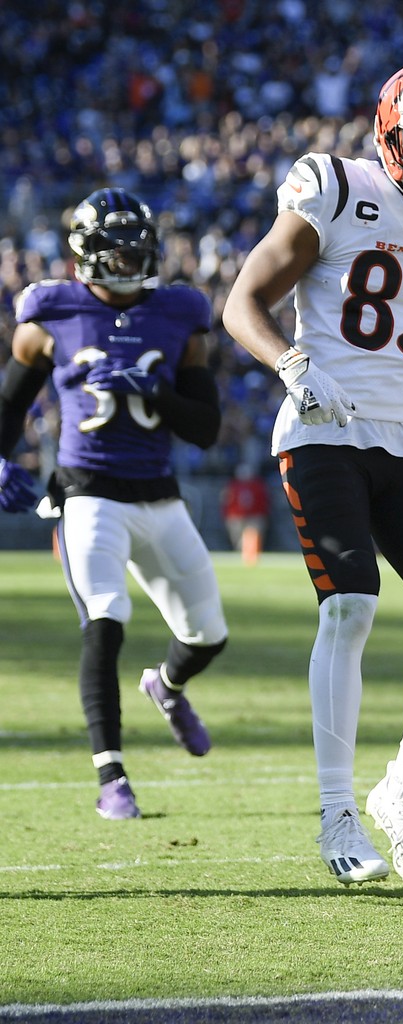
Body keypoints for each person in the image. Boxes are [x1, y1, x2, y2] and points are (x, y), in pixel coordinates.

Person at [223, 59, 403, 885]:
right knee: (349, 606)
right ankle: (335, 810)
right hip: (321, 430)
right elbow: (242, 302)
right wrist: (292, 364)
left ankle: (402, 794)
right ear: (393, 137)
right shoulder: (335, 189)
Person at [0, 188, 227, 819]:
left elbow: (205, 427)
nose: (131, 267)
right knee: (106, 619)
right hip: (86, 490)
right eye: (119, 256)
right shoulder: (50, 312)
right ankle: (113, 777)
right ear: (87, 255)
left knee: (208, 634)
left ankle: (168, 686)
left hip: (158, 494)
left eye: (139, 255)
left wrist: (159, 393)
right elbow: (9, 407)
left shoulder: (180, 314)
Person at [220, 462, 270, 563]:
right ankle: (243, 554)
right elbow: (226, 500)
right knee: (237, 538)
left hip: (254, 516)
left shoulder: (257, 485)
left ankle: (251, 556)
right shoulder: (232, 486)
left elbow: (264, 501)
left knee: (253, 535)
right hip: (236, 516)